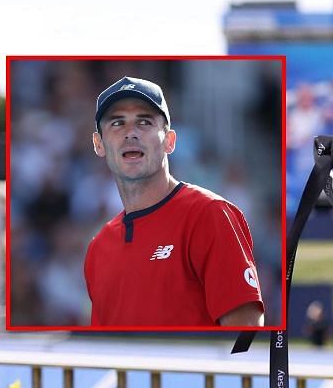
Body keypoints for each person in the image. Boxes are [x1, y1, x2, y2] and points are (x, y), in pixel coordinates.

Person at [84, 76, 265, 327]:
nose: (131, 133)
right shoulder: (99, 246)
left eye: (144, 122)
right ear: (98, 144)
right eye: (117, 123)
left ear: (170, 141)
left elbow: (245, 333)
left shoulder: (209, 214)